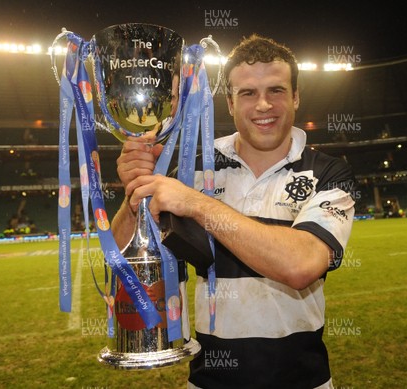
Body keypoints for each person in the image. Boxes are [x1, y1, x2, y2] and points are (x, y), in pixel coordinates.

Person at [112, 34, 356, 389]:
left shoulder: (329, 172)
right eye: (248, 93)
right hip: (209, 381)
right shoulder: (192, 173)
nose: (263, 105)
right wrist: (134, 194)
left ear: (296, 97)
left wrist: (197, 205)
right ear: (229, 102)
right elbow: (126, 264)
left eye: (276, 90)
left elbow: (301, 265)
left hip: (304, 381)